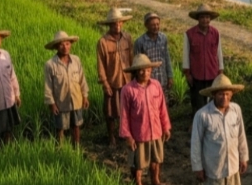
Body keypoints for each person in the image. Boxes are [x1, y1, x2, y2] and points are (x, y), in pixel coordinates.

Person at [191, 74, 248, 185]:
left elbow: (241, 135)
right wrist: (198, 167)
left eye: (228, 94)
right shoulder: (203, 115)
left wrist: (244, 156)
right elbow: (196, 143)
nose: (225, 97)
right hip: (213, 166)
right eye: (221, 94)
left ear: (232, 94)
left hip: (232, 162)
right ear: (213, 95)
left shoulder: (236, 110)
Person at [119, 54, 171, 185]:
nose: (145, 72)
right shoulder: (128, 90)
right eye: (141, 70)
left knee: (156, 159)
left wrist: (166, 127)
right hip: (139, 133)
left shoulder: (156, 85)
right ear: (136, 71)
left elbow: (162, 109)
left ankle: (155, 180)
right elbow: (124, 115)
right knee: (139, 163)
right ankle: (139, 184)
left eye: (147, 69)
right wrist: (128, 136)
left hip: (156, 131)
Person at [44, 30, 89, 146]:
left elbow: (82, 79)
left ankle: (77, 147)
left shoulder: (76, 60)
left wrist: (85, 96)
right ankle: (61, 149)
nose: (65, 47)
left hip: (76, 99)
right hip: (61, 102)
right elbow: (48, 86)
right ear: (56, 47)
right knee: (60, 127)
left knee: (76, 125)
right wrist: (52, 103)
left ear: (71, 44)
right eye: (61, 44)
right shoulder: (50, 64)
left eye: (67, 44)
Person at [97, 8, 134, 146]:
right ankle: (111, 136)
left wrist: (134, 77)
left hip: (127, 80)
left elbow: (131, 58)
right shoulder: (103, 42)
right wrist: (105, 83)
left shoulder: (128, 38)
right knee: (110, 111)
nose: (117, 26)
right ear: (109, 25)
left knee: (128, 109)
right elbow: (100, 64)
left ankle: (125, 133)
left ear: (122, 23)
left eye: (119, 23)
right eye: (113, 24)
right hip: (112, 81)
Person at [182, 4, 224, 115]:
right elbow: (186, 55)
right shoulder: (189, 34)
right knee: (197, 101)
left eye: (207, 17)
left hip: (212, 73)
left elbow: (219, 53)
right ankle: (196, 124)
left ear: (210, 19)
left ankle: (211, 123)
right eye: (202, 17)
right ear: (198, 19)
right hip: (196, 75)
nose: (205, 20)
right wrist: (188, 73)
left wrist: (220, 71)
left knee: (212, 101)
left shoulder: (215, 33)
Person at [134, 12, 173, 96]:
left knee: (163, 105)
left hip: (163, 79)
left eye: (157, 24)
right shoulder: (140, 42)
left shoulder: (163, 38)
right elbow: (137, 66)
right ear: (146, 26)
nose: (156, 27)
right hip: (148, 81)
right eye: (153, 25)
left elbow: (167, 57)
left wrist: (170, 76)